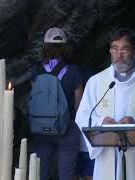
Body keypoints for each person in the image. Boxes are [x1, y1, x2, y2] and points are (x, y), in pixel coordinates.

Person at [75, 27, 135, 180]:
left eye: (124, 49)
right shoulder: (96, 82)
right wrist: (101, 122)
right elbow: (82, 116)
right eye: (114, 49)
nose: (118, 55)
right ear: (109, 51)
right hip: (107, 157)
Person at [31, 27, 83, 180]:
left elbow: (35, 100)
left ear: (44, 46)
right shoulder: (73, 71)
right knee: (66, 175)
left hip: (41, 129)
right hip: (66, 129)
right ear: (65, 47)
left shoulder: (36, 70)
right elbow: (79, 106)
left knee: (40, 173)